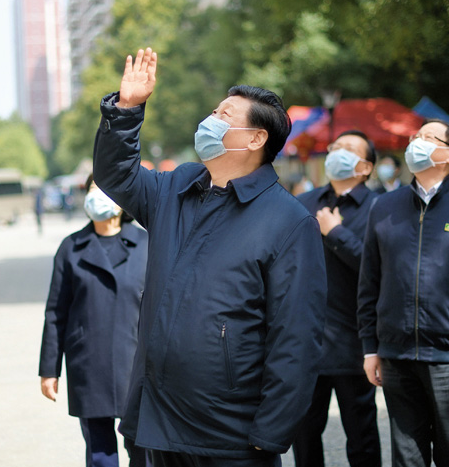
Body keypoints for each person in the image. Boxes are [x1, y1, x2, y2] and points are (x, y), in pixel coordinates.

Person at [93, 48, 327, 467]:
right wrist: (126, 110)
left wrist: (271, 431)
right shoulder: (177, 188)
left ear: (256, 139)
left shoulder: (288, 221)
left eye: (224, 115)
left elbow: (296, 338)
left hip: (229, 433)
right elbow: (116, 175)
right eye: (214, 111)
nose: (210, 120)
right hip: (157, 419)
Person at [357, 120, 449, 467]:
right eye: (416, 137)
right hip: (396, 354)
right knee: (407, 457)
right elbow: (369, 282)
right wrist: (370, 347)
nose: (416, 143)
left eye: (427, 137)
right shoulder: (384, 207)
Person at [39, 174, 149, 467]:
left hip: (137, 363)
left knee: (144, 450)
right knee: (100, 454)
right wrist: (49, 370)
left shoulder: (147, 243)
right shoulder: (71, 247)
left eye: (105, 189)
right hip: (88, 363)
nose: (96, 196)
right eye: (92, 189)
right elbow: (56, 312)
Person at [292, 130, 381, 467]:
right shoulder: (303, 203)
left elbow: (377, 268)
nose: (337, 153)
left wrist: (336, 233)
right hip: (306, 341)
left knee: (361, 436)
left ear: (366, 167)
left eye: (348, 149)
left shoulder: (379, 208)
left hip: (352, 340)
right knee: (303, 435)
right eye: (335, 147)